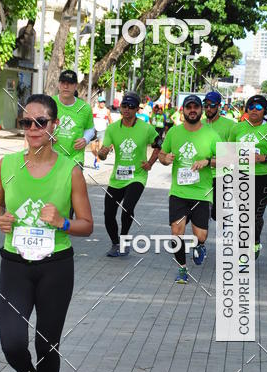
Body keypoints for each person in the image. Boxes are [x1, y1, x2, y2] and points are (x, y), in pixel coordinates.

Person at [0, 93, 93, 372]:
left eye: (40, 122)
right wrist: (0, 219)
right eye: (26, 122)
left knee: (46, 343)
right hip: (15, 263)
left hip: (55, 267)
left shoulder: (70, 171)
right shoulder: (6, 166)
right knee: (11, 341)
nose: (32, 128)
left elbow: (87, 225)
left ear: (54, 125)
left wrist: (63, 222)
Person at [158, 94, 219, 283]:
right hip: (179, 191)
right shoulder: (174, 132)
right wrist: (165, 159)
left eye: (195, 107)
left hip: (202, 192)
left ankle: (200, 245)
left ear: (201, 110)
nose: (192, 110)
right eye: (188, 107)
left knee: (201, 234)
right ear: (183, 110)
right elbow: (161, 154)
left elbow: (228, 159)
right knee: (177, 231)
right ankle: (182, 268)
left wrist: (207, 161)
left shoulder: (211, 134)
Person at [98, 92, 161, 257]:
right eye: (124, 106)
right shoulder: (112, 128)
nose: (127, 109)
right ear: (120, 107)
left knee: (127, 207)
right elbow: (103, 153)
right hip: (117, 178)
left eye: (131, 107)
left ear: (137, 109)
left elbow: (159, 145)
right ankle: (115, 243)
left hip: (137, 176)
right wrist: (102, 154)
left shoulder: (146, 128)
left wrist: (150, 163)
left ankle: (124, 240)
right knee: (108, 214)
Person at [228, 95, 267, 258]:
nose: (254, 110)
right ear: (247, 109)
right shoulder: (237, 128)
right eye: (251, 107)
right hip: (240, 176)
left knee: (254, 216)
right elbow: (228, 151)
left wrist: (263, 158)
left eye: (259, 107)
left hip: (263, 178)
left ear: (264, 111)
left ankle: (254, 241)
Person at [52, 69, 95, 169]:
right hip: (52, 157)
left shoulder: (85, 108)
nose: (66, 86)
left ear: (75, 86)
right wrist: (46, 136)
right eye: (63, 83)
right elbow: (39, 125)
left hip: (75, 158)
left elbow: (90, 129)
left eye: (70, 83)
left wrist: (85, 139)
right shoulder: (49, 103)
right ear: (59, 84)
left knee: (74, 179)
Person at [201, 90, 234, 221]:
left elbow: (233, 153)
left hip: (222, 175)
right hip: (202, 175)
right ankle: (201, 235)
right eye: (206, 105)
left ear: (219, 106)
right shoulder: (199, 124)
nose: (208, 108)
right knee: (202, 213)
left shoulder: (230, 125)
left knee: (218, 215)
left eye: (212, 105)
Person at [91, 95, 111, 169]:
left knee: (100, 148)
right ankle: (96, 157)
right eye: (101, 102)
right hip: (94, 130)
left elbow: (110, 120)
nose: (103, 103)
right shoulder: (93, 109)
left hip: (102, 130)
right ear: (98, 103)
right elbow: (89, 119)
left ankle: (97, 163)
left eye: (104, 102)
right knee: (93, 149)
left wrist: (110, 130)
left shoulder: (107, 111)